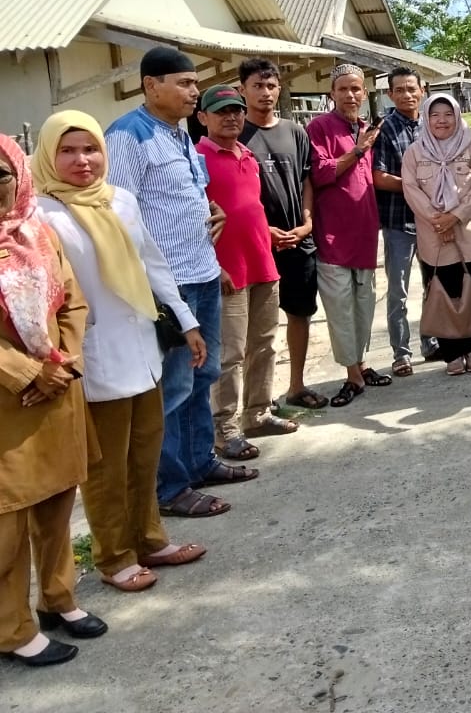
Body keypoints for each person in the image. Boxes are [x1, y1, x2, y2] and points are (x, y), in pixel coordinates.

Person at [34, 112, 209, 596]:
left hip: (141, 346)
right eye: (68, 151)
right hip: (92, 355)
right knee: (106, 466)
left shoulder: (122, 201)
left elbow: (152, 264)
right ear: (49, 154)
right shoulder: (39, 214)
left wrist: (187, 322)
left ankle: (150, 539)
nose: (82, 160)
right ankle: (113, 556)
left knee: (144, 453)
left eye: (89, 149)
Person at [106, 46, 257, 515]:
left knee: (202, 374)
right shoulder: (127, 137)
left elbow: (180, 197)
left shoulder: (178, 135)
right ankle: (168, 489)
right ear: (152, 85)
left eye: (195, 83)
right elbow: (121, 217)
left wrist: (209, 212)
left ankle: (197, 462)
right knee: (171, 387)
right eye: (185, 83)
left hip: (203, 272)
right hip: (166, 286)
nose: (195, 91)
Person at [0, 134, 106, 667]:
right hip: (9, 405)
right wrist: (25, 372)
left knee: (58, 506)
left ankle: (58, 599)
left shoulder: (36, 230)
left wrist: (64, 360)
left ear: (18, 176)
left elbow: (72, 299)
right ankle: (11, 628)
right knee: (7, 525)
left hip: (57, 389)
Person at [197, 86, 293, 460]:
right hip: (227, 271)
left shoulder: (248, 156)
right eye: (221, 111)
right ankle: (225, 427)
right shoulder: (197, 159)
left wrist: (266, 232)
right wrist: (212, 263)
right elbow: (195, 220)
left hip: (262, 263)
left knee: (265, 345)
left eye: (236, 110)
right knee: (230, 353)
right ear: (203, 117)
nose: (232, 117)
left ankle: (258, 412)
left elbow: (247, 207)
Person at [238, 58, 325, 409]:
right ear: (242, 89)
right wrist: (263, 231)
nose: (265, 93)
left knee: (299, 314)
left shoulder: (295, 131)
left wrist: (307, 222)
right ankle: (259, 398)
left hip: (298, 241)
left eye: (271, 86)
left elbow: (307, 180)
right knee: (256, 326)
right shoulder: (234, 134)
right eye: (257, 86)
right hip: (256, 245)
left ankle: (297, 386)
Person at [306, 64, 393, 407]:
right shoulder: (319, 127)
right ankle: (352, 376)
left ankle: (362, 363)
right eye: (343, 89)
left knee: (363, 305)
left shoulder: (366, 128)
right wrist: (356, 150)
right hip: (333, 238)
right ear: (331, 93)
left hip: (364, 232)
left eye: (357, 89)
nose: (351, 95)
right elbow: (321, 172)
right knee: (340, 308)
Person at [401, 94, 471, 375]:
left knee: (470, 291)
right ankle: (451, 354)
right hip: (433, 235)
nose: (442, 120)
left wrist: (455, 217)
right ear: (426, 119)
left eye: (448, 114)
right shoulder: (415, 153)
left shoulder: (470, 149)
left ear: (457, 116)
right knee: (441, 294)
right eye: (435, 115)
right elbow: (410, 188)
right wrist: (437, 221)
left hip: (468, 233)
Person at [372, 67, 439, 376]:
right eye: (399, 90)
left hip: (432, 221)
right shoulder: (385, 128)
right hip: (399, 221)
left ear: (422, 90)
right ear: (390, 94)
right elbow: (378, 176)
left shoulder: (433, 125)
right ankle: (401, 353)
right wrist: (414, 184)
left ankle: (431, 341)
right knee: (398, 290)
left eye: (411, 89)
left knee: (433, 285)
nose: (407, 95)